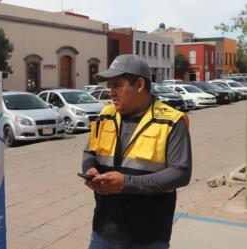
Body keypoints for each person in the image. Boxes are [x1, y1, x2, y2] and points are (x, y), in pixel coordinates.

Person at [82, 54, 192, 249]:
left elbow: (180, 173)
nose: (111, 92)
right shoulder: (105, 115)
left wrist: (126, 184)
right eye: (109, 86)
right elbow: (90, 152)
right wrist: (90, 170)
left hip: (149, 236)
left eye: (117, 85)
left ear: (139, 85)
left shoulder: (171, 121)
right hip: (104, 230)